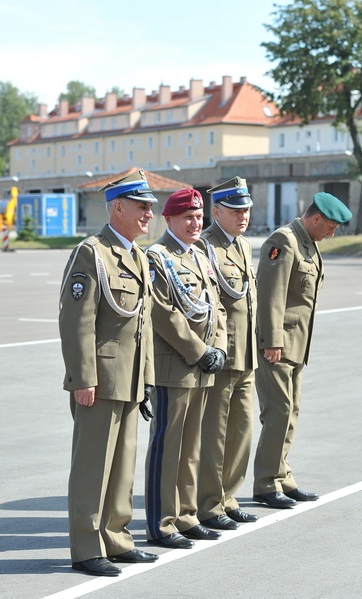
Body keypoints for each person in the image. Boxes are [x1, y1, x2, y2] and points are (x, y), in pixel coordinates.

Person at [58, 169, 158, 577]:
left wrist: (146, 377)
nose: (149, 214)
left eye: (151, 208)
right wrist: (83, 379)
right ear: (118, 207)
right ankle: (86, 547)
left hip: (130, 377)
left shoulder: (136, 254)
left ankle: (116, 539)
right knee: (93, 467)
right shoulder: (92, 253)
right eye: (142, 207)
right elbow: (76, 321)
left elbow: (142, 324)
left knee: (122, 467)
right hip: (100, 379)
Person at [252, 192, 352, 508]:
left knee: (290, 413)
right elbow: (270, 295)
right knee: (278, 411)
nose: (332, 233)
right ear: (316, 218)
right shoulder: (284, 241)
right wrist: (272, 342)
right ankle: (266, 483)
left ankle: (283, 477)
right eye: (331, 227)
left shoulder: (307, 243)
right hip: (278, 346)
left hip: (297, 346)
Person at [144, 188, 227, 549]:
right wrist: (199, 351)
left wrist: (220, 347)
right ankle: (162, 523)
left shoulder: (199, 256)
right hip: (173, 366)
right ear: (169, 220)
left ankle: (187, 515)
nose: (196, 223)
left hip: (203, 366)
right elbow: (163, 313)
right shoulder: (158, 257)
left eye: (198, 217)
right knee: (169, 445)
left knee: (192, 446)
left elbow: (216, 305)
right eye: (188, 218)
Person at [195, 177, 260, 530]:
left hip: (246, 354)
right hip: (222, 355)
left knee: (242, 431)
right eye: (236, 210)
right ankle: (208, 503)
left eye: (247, 209)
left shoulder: (243, 247)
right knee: (215, 435)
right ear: (216, 211)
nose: (244, 215)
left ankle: (227, 495)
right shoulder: (206, 247)